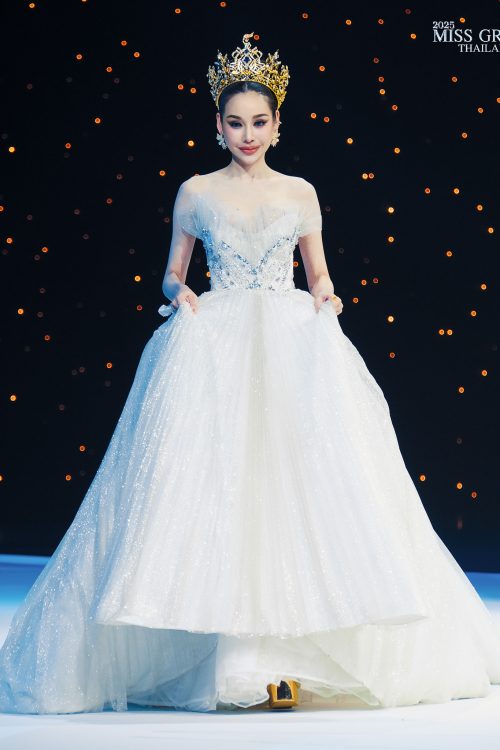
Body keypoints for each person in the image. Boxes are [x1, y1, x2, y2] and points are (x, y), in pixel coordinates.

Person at [0, 31, 500, 716]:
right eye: (235, 122)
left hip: (290, 340)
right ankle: (233, 657)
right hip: (217, 342)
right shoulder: (196, 192)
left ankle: (292, 659)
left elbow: (318, 272)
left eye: (259, 122)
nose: (247, 134)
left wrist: (327, 300)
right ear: (217, 124)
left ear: (277, 125)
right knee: (217, 484)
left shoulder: (300, 192)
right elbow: (171, 272)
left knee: (300, 482)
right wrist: (181, 294)